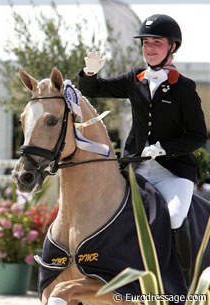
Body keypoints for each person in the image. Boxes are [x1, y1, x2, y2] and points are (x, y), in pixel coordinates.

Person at [78, 14, 207, 284]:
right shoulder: (134, 79)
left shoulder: (184, 88)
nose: (148, 48)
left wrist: (163, 149)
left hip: (172, 173)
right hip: (136, 169)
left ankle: (181, 281)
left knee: (173, 217)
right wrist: (89, 72)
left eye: (156, 42)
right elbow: (93, 89)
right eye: (145, 42)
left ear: (172, 47)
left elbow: (197, 136)